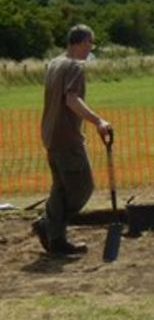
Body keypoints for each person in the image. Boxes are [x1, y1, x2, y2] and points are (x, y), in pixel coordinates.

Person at [32, 24, 112, 257]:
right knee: (82, 187)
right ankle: (49, 225)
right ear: (81, 42)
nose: (91, 48)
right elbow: (72, 100)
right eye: (90, 43)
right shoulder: (75, 67)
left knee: (60, 187)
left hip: (50, 134)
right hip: (67, 138)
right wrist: (98, 121)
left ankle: (56, 239)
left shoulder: (55, 63)